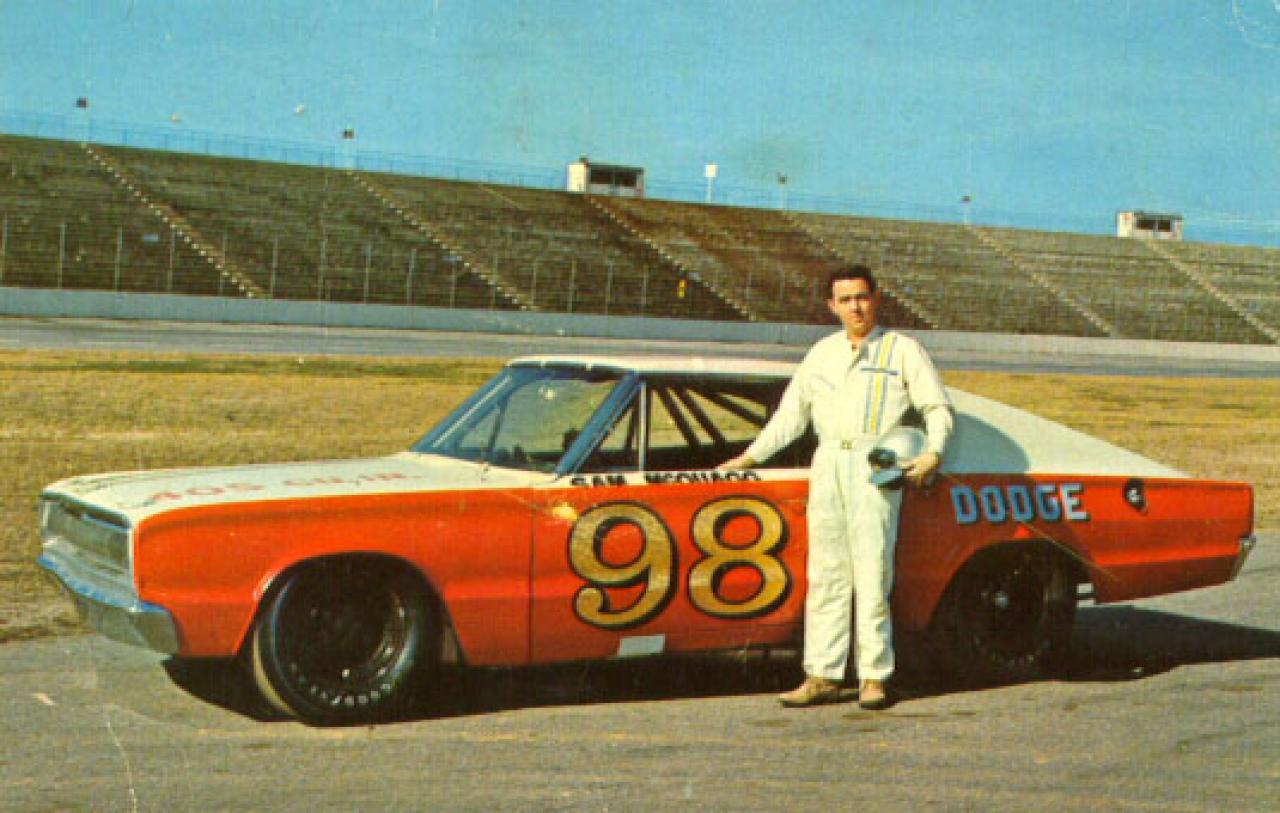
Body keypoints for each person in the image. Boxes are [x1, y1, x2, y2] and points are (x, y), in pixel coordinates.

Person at [719, 265, 952, 710]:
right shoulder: (821, 354)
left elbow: (937, 408)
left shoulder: (903, 350)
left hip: (875, 464)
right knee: (826, 573)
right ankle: (822, 674)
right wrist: (749, 458)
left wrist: (933, 452)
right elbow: (791, 417)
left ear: (876, 298)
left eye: (862, 297)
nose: (855, 307)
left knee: (872, 571)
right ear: (832, 306)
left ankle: (874, 677)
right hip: (827, 462)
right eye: (845, 300)